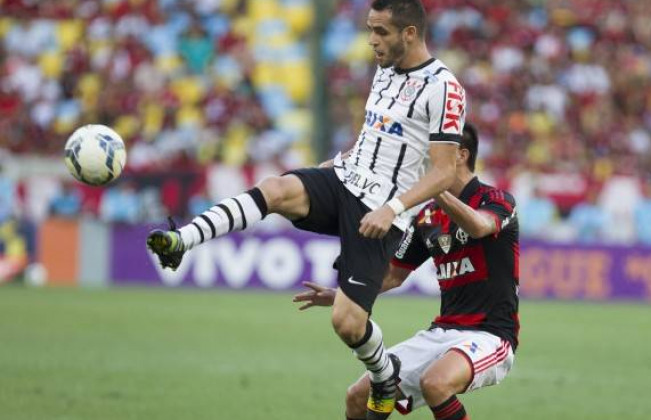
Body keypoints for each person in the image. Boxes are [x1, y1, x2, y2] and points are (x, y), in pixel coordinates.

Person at [146, 1, 467, 418]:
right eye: (369, 29)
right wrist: (337, 162)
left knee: (348, 323)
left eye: (380, 32)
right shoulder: (385, 68)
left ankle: (384, 375)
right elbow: (378, 134)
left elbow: (443, 172)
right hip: (344, 180)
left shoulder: (445, 87)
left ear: (409, 33)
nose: (371, 40)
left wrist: (392, 209)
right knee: (276, 188)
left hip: (381, 212)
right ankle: (181, 240)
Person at [294, 124, 519, 420]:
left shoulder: (497, 200)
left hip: (491, 334)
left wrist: (433, 186)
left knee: (436, 384)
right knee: (358, 397)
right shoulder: (427, 215)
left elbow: (478, 226)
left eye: (434, 152)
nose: (425, 159)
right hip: (442, 331)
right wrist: (343, 296)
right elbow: (394, 275)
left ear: (460, 155)